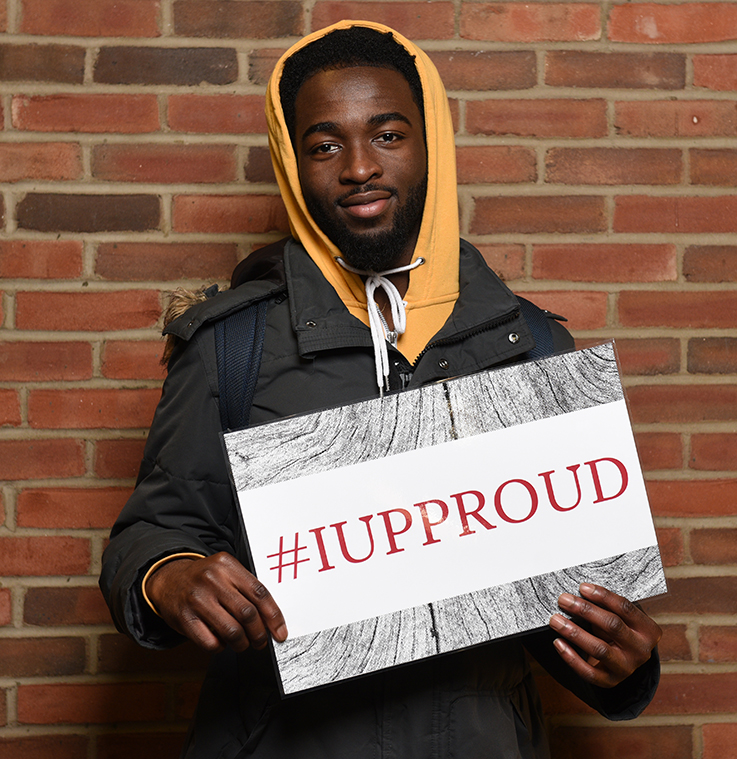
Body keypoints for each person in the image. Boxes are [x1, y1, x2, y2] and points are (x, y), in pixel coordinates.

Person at [100, 20, 662, 759]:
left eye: (389, 135)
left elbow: (572, 604)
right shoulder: (232, 345)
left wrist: (621, 662)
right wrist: (167, 576)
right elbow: (150, 532)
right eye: (324, 144)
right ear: (292, 162)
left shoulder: (528, 345)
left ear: (430, 145)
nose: (358, 166)